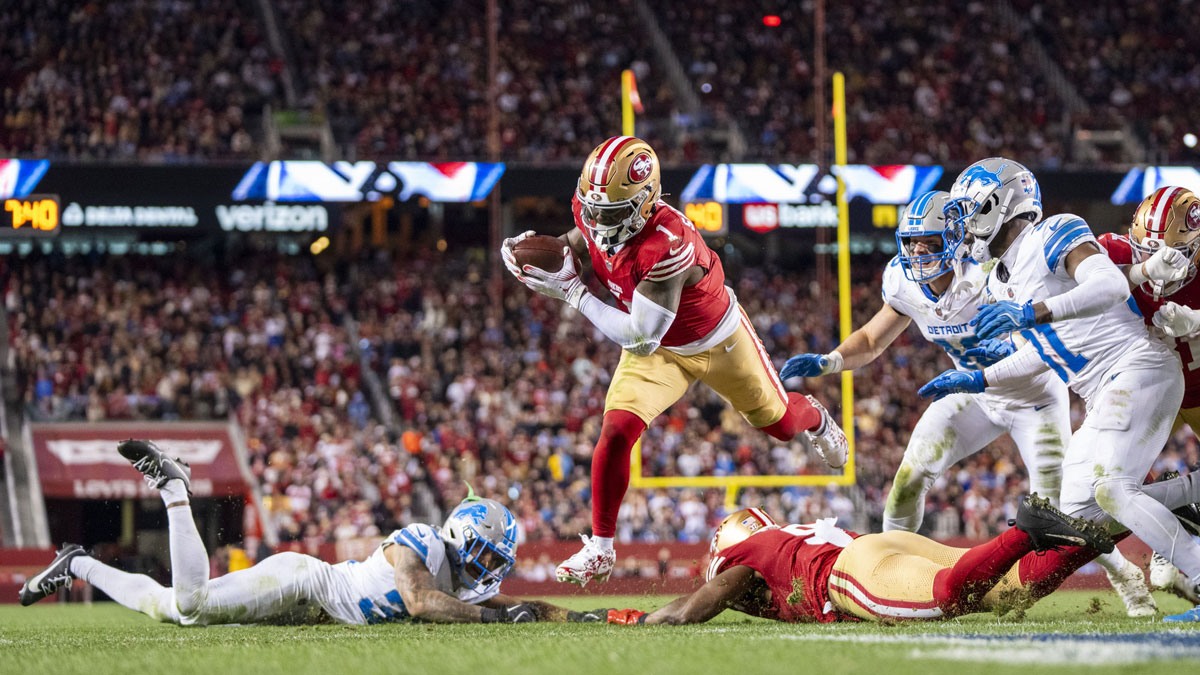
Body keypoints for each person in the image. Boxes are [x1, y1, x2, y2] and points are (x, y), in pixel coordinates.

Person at [780, 190, 1153, 616]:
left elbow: (1049, 340)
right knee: (909, 479)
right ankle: (891, 578)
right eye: (911, 243)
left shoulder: (994, 272)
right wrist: (831, 361)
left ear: (959, 239)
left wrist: (1010, 349)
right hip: (972, 394)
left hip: (1034, 396)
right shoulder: (903, 281)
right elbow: (870, 338)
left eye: (931, 243)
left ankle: (1125, 577)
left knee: (1061, 515)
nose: (918, 253)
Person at [501, 136, 847, 586]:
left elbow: (641, 337)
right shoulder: (597, 205)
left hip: (715, 340)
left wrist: (571, 291)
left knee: (780, 425)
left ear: (645, 202)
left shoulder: (668, 244)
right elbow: (577, 244)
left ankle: (815, 417)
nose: (598, 222)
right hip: (663, 349)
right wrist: (534, 254)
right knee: (616, 430)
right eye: (593, 210)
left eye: (611, 214)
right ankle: (601, 549)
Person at [917, 158, 1200, 623]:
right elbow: (1046, 352)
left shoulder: (1055, 232)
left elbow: (1109, 284)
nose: (963, 226)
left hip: (1138, 367)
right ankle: (1190, 491)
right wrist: (980, 379)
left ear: (999, 205)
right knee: (1080, 510)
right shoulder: (997, 281)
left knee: (1112, 488)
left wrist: (1033, 313)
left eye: (969, 211)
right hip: (1103, 390)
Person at [20, 440, 597, 625]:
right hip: (304, 584)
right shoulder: (420, 540)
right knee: (189, 606)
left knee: (168, 609)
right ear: (469, 539)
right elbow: (421, 603)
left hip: (311, 606)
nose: (495, 567)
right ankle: (174, 488)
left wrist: (576, 618)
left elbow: (515, 604)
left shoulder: (457, 577)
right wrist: (500, 618)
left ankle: (76, 563)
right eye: (492, 553)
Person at [601, 501, 1114, 625]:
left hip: (848, 574)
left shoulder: (745, 555)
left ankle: (1025, 531)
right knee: (1008, 594)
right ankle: (1118, 522)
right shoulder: (783, 537)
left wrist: (649, 618)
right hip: (880, 544)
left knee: (947, 598)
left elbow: (702, 603)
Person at [1096, 185, 1200, 603]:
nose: (1154, 260)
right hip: (1151, 385)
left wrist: (1196, 320)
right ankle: (1177, 522)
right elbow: (1083, 280)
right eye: (1144, 250)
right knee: (1109, 481)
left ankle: (1184, 518)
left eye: (1172, 254)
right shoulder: (1117, 253)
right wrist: (1138, 271)